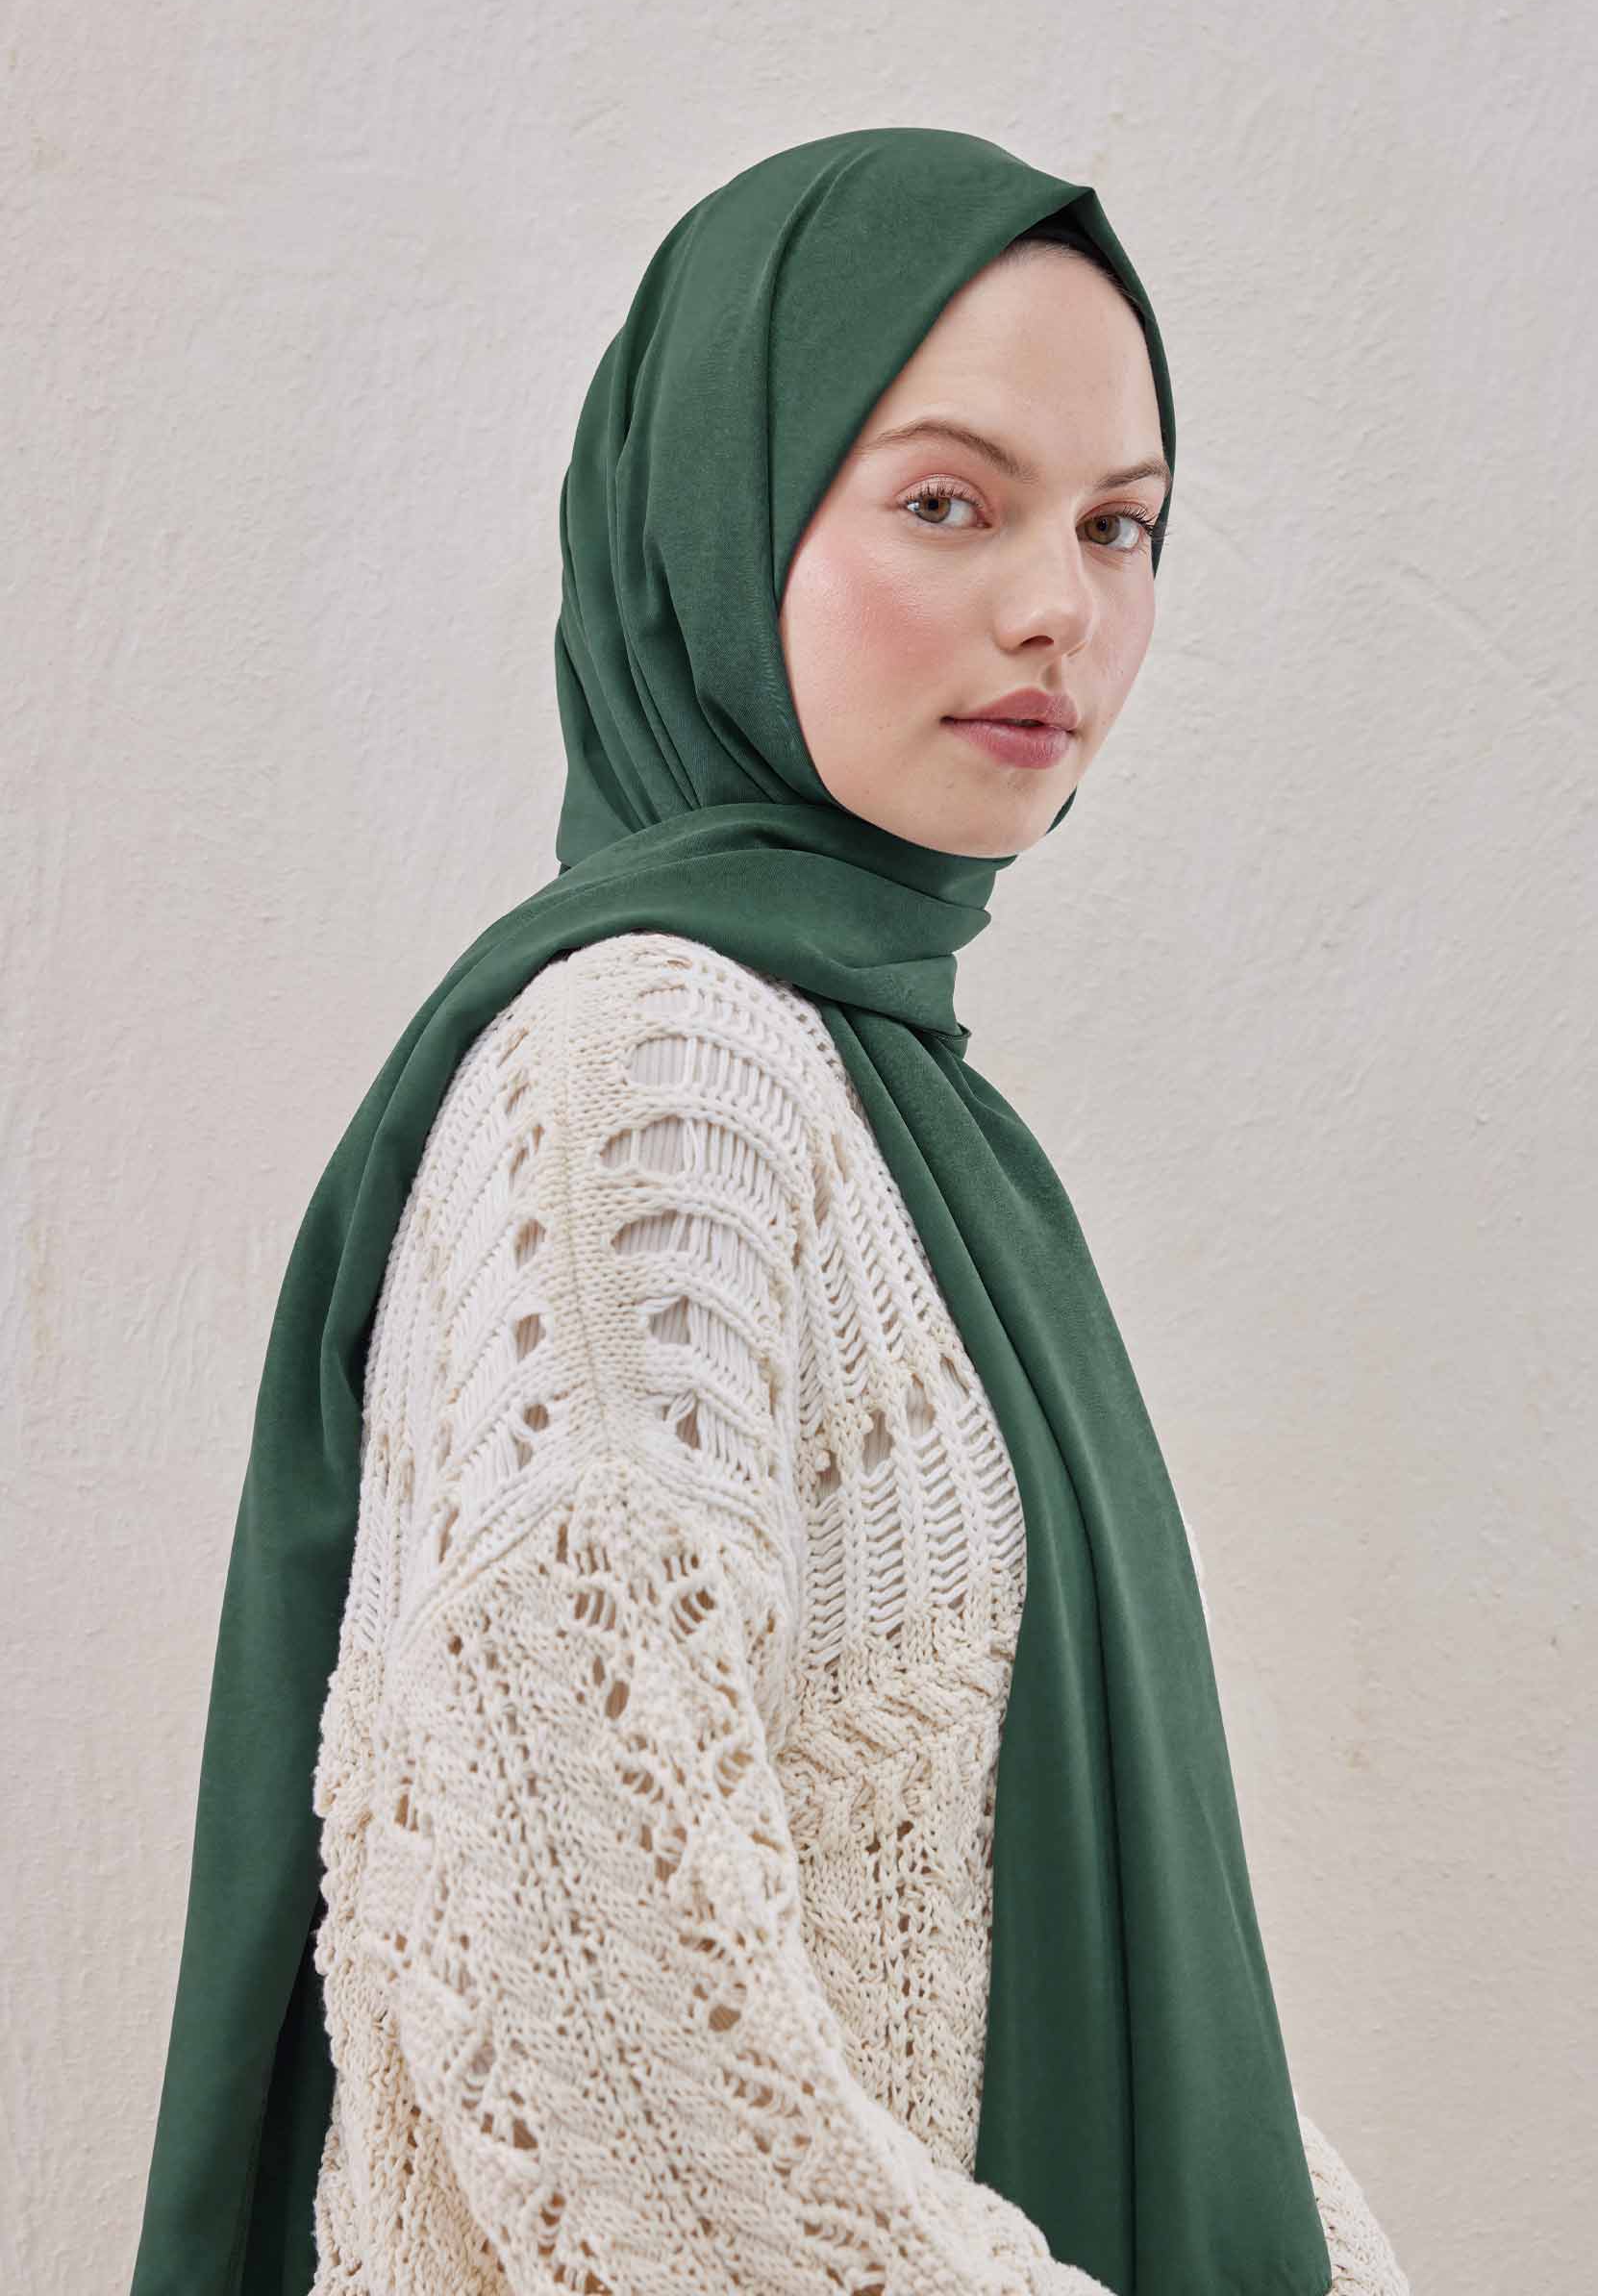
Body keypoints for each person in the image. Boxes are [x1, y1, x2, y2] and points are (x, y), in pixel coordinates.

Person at [128, 129, 1411, 2296]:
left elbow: (1128, 1958)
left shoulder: (890, 1102)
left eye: (1120, 525)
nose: (1060, 608)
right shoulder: (651, 1068)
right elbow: (599, 2012)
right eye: (949, 502)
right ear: (719, 523)